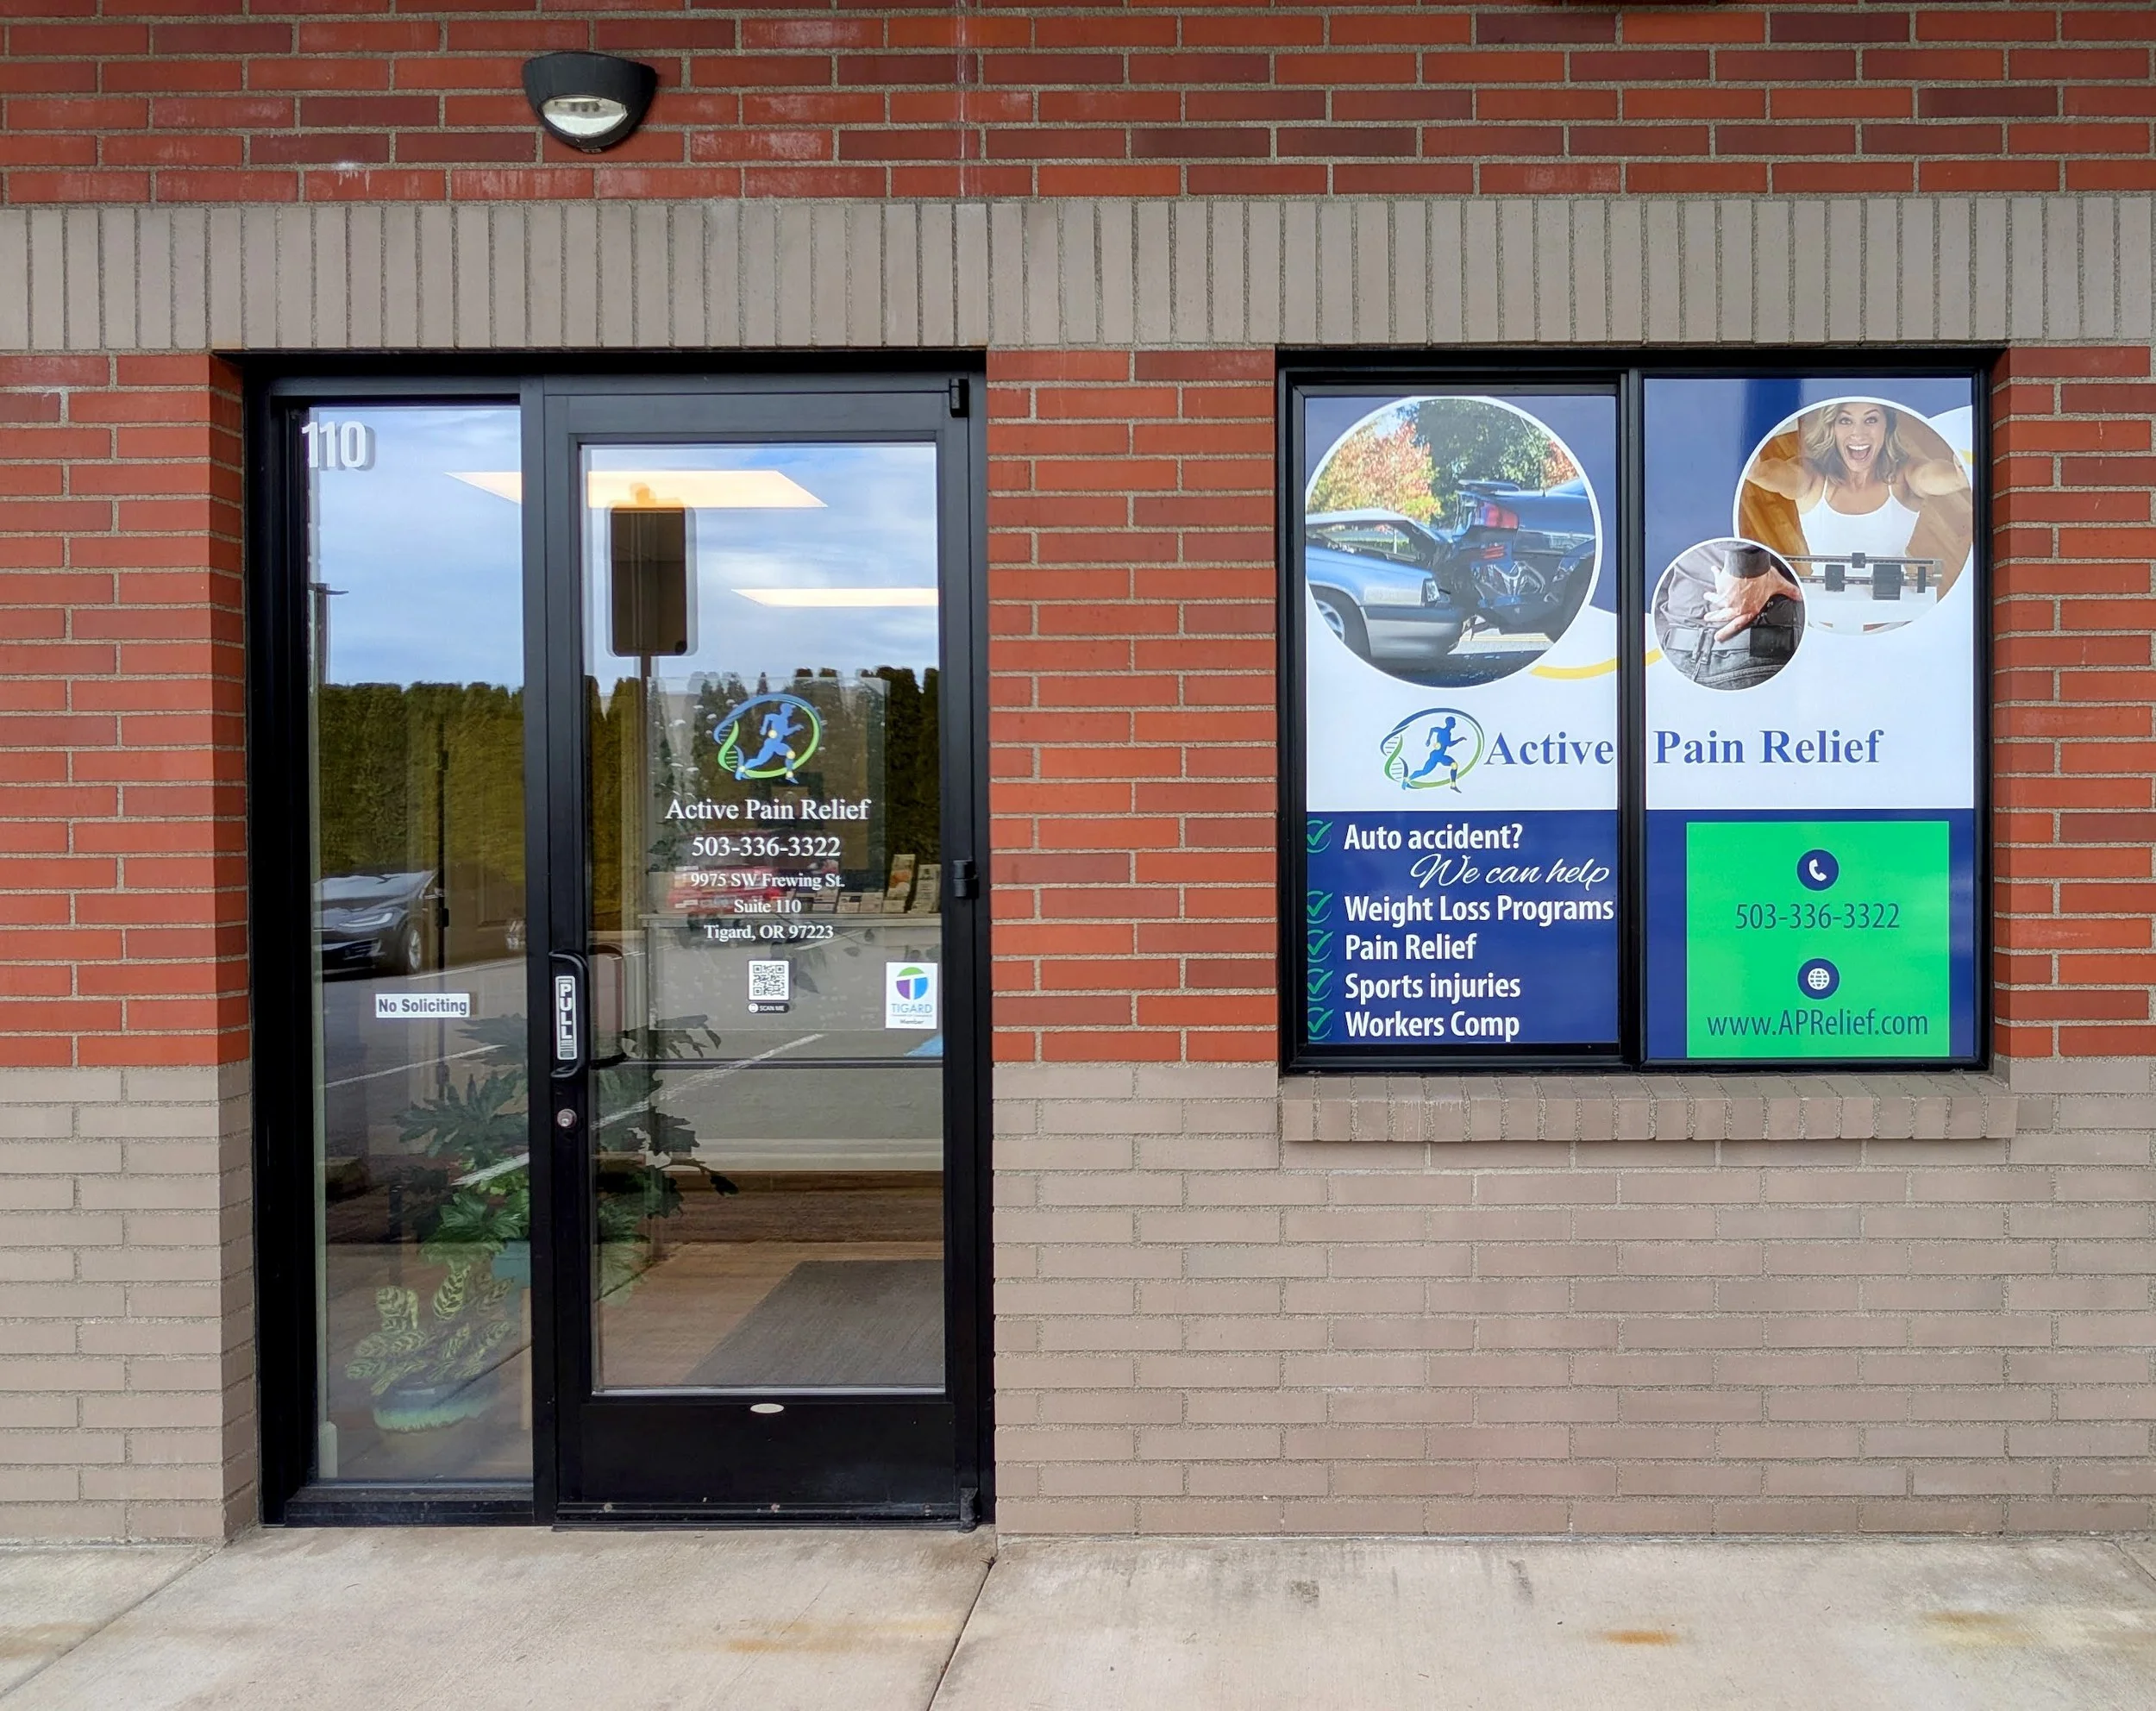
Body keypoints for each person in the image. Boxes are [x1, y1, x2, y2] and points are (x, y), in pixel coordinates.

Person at [1744, 399, 1968, 573]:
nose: (1858, 433)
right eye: (1845, 420)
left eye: (1871, 420)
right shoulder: (1812, 478)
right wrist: (1757, 471)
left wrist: (1959, 476)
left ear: (1887, 427)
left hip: (1894, 613)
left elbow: (1929, 475)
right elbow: (1773, 474)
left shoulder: (1905, 474)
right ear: (1832, 427)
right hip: (1825, 617)